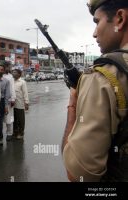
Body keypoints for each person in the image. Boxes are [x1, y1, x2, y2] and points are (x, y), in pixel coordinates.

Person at [63, 0, 128, 182]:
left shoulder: (103, 77)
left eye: (97, 22)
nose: (94, 34)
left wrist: (73, 104)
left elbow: (78, 176)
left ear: (120, 18)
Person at [12, 68, 29, 140]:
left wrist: (26, 103)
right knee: (14, 119)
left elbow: (25, 93)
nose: (13, 73)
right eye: (13, 72)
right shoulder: (11, 81)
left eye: (15, 72)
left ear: (19, 74)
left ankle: (21, 132)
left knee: (21, 119)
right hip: (12, 105)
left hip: (20, 103)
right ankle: (15, 132)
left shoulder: (22, 82)